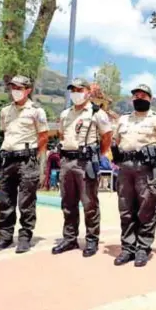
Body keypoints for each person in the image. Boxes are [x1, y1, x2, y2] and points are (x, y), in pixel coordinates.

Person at [0, 75, 49, 254]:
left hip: (27, 160)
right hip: (8, 160)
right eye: (12, 87)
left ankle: (24, 237)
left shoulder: (37, 111)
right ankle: (5, 237)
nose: (15, 90)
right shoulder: (5, 111)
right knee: (5, 199)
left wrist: (35, 158)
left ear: (28, 90)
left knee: (26, 201)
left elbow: (43, 137)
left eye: (19, 88)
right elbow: (6, 133)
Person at [111, 84, 156, 267]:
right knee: (126, 209)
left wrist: (154, 155)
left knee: (146, 210)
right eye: (136, 95)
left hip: (146, 169)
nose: (139, 98)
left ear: (150, 98)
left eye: (143, 96)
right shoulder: (123, 120)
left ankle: (143, 248)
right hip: (126, 168)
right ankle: (128, 248)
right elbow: (115, 140)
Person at [52, 78, 112, 257]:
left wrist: (97, 155)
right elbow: (62, 134)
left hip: (86, 163)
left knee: (89, 203)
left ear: (87, 92)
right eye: (73, 89)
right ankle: (69, 239)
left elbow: (107, 137)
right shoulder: (65, 114)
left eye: (79, 89)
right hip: (67, 162)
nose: (76, 93)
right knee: (68, 203)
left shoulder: (96, 113)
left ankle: (92, 240)